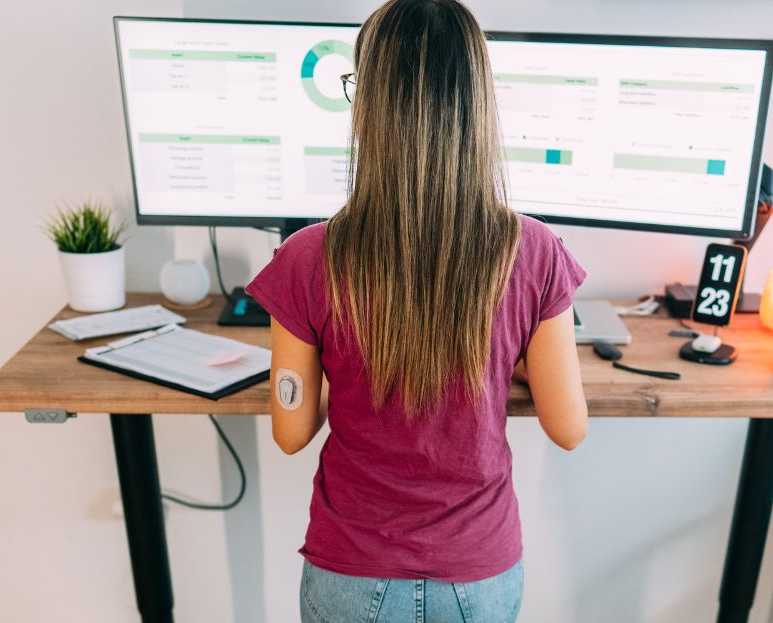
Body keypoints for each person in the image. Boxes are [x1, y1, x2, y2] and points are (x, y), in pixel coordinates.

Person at [244, 0, 589, 620]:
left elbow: (291, 432)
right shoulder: (532, 251)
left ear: (371, 107)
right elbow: (568, 426)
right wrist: (497, 360)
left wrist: (338, 371)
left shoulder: (306, 257)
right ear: (478, 106)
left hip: (350, 570)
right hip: (477, 573)